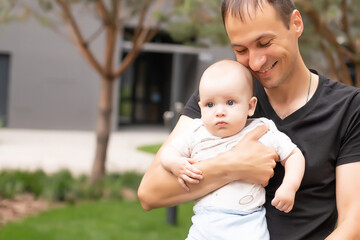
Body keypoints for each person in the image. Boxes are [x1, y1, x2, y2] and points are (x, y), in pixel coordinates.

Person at [138, 0, 360, 239]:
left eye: (264, 43)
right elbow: (151, 193)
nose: (255, 62)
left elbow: (352, 225)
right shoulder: (223, 96)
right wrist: (234, 165)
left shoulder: (349, 107)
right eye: (241, 50)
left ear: (296, 23)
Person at [159, 59, 305, 240]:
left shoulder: (261, 130)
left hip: (247, 224)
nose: (219, 111)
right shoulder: (196, 132)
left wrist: (289, 186)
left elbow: (293, 154)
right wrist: (175, 163)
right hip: (205, 223)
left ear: (250, 106)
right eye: (210, 105)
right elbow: (166, 153)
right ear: (200, 108)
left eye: (230, 102)